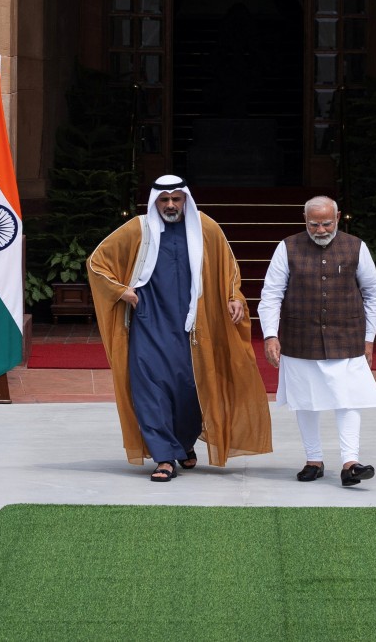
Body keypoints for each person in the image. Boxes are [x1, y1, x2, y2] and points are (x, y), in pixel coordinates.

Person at [87, 175, 272, 482]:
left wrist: (234, 297)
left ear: (185, 199)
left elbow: (229, 270)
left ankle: (184, 443)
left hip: (195, 326)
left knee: (190, 389)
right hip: (149, 322)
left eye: (176, 199)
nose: (170, 205)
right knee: (150, 388)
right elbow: (97, 262)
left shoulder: (206, 228)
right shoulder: (138, 228)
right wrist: (121, 291)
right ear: (155, 201)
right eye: (164, 200)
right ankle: (163, 457)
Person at [258, 196, 376, 487]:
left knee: (349, 399)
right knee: (305, 401)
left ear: (338, 217)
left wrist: (369, 339)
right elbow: (271, 295)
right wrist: (270, 335)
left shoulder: (356, 247)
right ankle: (313, 460)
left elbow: (374, 295)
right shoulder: (287, 247)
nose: (321, 229)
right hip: (299, 337)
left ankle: (350, 463)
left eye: (327, 223)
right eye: (314, 224)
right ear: (305, 221)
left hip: (348, 337)